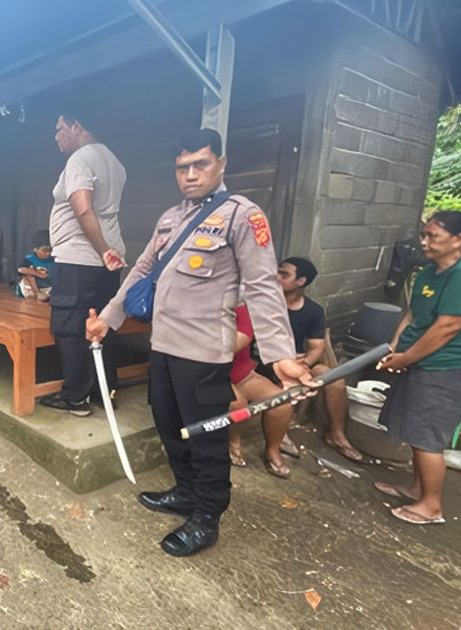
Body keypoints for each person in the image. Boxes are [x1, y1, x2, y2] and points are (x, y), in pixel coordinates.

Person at [86, 129, 314, 557]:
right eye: (182, 167)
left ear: (221, 164)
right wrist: (109, 320)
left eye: (200, 165)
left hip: (206, 355)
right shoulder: (171, 218)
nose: (190, 175)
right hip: (165, 348)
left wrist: (281, 354)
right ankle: (185, 493)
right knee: (169, 425)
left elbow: (264, 287)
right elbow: (140, 271)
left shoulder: (243, 216)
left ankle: (207, 517)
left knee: (207, 438)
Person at [373, 211, 461, 525]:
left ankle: (432, 506)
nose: (423, 242)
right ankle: (416, 488)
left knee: (427, 436)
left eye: (432, 236)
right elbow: (412, 315)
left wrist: (407, 358)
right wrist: (395, 348)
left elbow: (448, 326)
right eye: (422, 235)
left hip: (445, 369)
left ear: (458, 239)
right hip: (419, 363)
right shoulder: (427, 272)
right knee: (415, 430)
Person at [42, 110, 128, 416]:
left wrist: (103, 249)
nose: (56, 136)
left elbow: (82, 208)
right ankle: (105, 392)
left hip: (79, 258)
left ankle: (75, 397)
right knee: (102, 327)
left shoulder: (80, 158)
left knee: (69, 329)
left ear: (77, 126)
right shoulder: (114, 162)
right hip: (105, 263)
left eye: (59, 128)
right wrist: (108, 253)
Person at [277, 257, 363, 462]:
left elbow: (317, 346)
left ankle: (336, 434)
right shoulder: (269, 304)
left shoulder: (313, 311)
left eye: (284, 274)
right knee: (290, 380)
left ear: (301, 281)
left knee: (333, 378)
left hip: (298, 361)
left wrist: (305, 362)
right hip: (269, 361)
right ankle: (280, 434)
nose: (277, 277)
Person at [227, 304, 297, 477]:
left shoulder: (243, 307)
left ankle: (273, 451)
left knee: (281, 401)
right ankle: (233, 441)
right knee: (238, 405)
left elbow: (240, 340)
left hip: (240, 371)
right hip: (209, 373)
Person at [15, 234, 55, 301]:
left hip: (47, 285)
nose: (47, 253)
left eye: (49, 250)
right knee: (29, 270)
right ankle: (36, 293)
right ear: (36, 250)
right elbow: (20, 270)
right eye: (44, 250)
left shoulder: (53, 259)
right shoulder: (30, 259)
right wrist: (37, 273)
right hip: (32, 286)